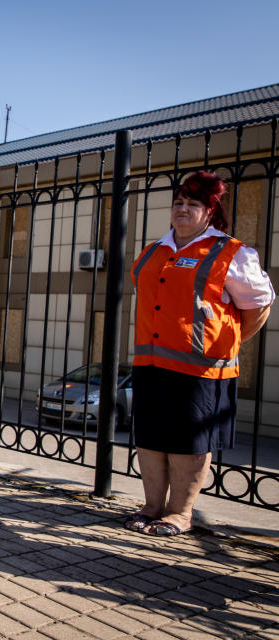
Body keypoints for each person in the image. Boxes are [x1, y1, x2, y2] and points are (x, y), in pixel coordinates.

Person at [125, 171, 274, 536]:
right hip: (151, 362)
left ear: (210, 211)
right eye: (178, 203)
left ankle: (180, 513)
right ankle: (151, 506)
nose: (182, 209)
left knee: (187, 443)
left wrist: (230, 342)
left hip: (201, 370)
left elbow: (259, 305)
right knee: (151, 439)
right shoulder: (153, 251)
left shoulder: (232, 253)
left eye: (193, 204)